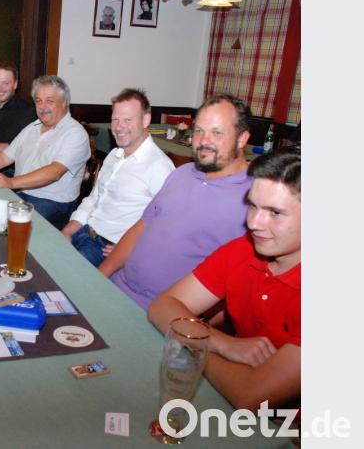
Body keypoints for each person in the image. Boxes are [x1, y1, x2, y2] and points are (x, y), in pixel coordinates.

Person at [148, 147, 301, 411]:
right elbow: (162, 306)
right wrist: (222, 343)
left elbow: (250, 396)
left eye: (275, 213)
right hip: (229, 392)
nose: (254, 223)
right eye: (253, 206)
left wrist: (194, 348)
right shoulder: (243, 249)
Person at [99, 94, 254, 310]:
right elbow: (141, 227)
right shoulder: (183, 173)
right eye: (199, 130)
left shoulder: (254, 200)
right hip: (116, 286)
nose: (204, 140)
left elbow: (240, 288)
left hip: (159, 314)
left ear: (242, 139)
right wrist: (100, 276)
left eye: (217, 132)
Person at [62, 89, 174, 267]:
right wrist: (68, 230)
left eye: (128, 120)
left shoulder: (159, 167)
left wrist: (132, 250)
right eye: (115, 119)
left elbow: (169, 224)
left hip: (107, 248)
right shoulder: (114, 155)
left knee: (59, 278)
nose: (119, 126)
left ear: (146, 120)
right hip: (83, 232)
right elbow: (94, 199)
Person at [0, 75, 90, 230]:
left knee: (5, 226)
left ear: (64, 102)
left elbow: (54, 172)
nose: (42, 106)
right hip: (21, 194)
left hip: (52, 202)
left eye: (49, 101)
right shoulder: (32, 127)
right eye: (38, 101)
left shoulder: (75, 133)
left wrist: (11, 182)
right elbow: (5, 157)